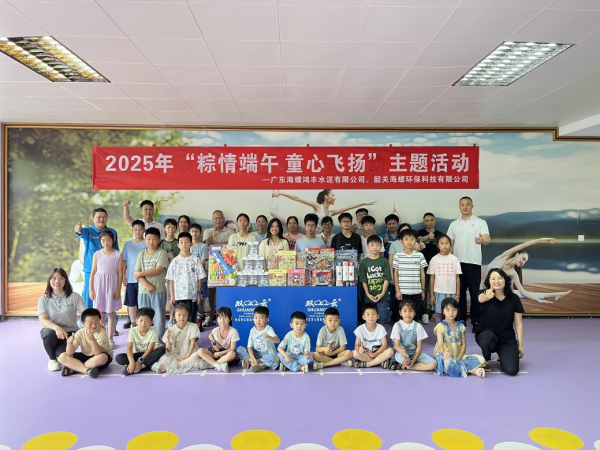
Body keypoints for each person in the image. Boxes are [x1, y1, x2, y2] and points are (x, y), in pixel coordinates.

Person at [447, 196, 491, 332]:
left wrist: (482, 240)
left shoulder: (480, 222)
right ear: (459, 207)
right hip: (457, 263)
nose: (465, 207)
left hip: (473, 263)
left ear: (472, 206)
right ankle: (461, 319)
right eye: (462, 204)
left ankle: (476, 320)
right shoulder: (454, 224)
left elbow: (487, 239)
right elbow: (450, 244)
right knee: (459, 293)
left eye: (467, 204)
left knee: (474, 293)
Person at [484, 238, 571, 303]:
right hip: (480, 289)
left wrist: (538, 300)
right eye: (523, 258)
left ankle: (555, 295)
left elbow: (523, 292)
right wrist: (541, 240)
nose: (523, 262)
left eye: (525, 261)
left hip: (492, 292)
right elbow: (524, 244)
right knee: (513, 293)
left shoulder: (513, 273)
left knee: (517, 293)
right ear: (517, 255)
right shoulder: (503, 257)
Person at [476, 269, 525, 376]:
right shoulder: (483, 293)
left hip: (506, 338)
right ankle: (487, 359)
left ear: (505, 280)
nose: (496, 281)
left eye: (499, 278)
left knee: (512, 370)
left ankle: (501, 356)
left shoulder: (514, 298)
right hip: (486, 335)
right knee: (488, 338)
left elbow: (518, 323)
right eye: (493, 279)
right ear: (489, 281)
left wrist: (520, 345)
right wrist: (486, 296)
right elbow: (480, 298)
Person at [38, 268, 87, 372]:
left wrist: (96, 320)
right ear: (49, 280)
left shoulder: (74, 296)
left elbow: (85, 313)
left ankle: (59, 356)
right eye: (54, 278)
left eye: (61, 278)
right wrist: (57, 328)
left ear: (65, 280)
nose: (57, 281)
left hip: (71, 334)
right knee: (47, 333)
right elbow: (43, 320)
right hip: (53, 332)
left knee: (62, 355)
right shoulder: (43, 299)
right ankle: (52, 359)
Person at [74, 207, 120, 308]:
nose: (101, 219)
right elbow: (81, 232)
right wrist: (79, 230)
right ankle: (87, 317)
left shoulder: (112, 232)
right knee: (90, 295)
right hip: (91, 270)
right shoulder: (88, 231)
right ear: (93, 218)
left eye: (104, 217)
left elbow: (116, 251)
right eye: (99, 217)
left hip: (108, 271)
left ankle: (107, 318)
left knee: (108, 297)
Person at [271, 189, 376, 233]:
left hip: (315, 234)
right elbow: (298, 198)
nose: (334, 198)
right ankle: (275, 194)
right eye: (333, 195)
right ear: (326, 196)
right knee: (273, 212)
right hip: (303, 227)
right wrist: (281, 193)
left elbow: (348, 207)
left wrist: (363, 203)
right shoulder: (317, 206)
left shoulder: (330, 213)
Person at [433, 297, 486, 378]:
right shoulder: (440, 326)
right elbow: (440, 343)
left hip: (458, 356)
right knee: (446, 363)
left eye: (454, 310)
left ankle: (459, 368)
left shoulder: (461, 326)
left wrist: (459, 358)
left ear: (457, 311)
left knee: (481, 359)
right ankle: (474, 370)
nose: (451, 313)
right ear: (443, 311)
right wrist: (443, 353)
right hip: (445, 356)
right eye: (447, 310)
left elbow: (464, 345)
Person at [134, 227, 169, 340]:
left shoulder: (162, 253)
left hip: (159, 289)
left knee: (159, 317)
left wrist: (140, 273)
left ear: (159, 240)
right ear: (145, 240)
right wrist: (147, 285)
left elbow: (158, 269)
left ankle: (158, 340)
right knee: (143, 318)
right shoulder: (141, 254)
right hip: (143, 290)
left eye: (154, 239)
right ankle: (144, 340)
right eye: (148, 239)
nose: (151, 242)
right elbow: (136, 274)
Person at [58, 307, 113, 378]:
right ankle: (86, 370)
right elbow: (69, 353)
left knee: (102, 358)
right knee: (62, 357)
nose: (93, 326)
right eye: (90, 323)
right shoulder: (80, 333)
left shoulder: (101, 332)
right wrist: (69, 344)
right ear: (83, 324)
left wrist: (93, 340)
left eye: (97, 322)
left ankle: (75, 368)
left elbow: (98, 353)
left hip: (100, 356)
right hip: (86, 356)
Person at [90, 230, 122, 349]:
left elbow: (120, 273)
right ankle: (102, 338)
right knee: (101, 312)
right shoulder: (97, 254)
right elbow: (93, 272)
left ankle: (110, 338)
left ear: (113, 240)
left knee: (110, 312)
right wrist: (91, 289)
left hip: (111, 286)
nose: (106, 243)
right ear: (100, 241)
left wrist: (118, 289)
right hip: (99, 286)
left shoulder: (117, 255)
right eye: (103, 240)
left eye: (108, 240)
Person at [166, 232, 206, 325]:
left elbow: (199, 278)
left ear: (191, 244)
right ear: (178, 245)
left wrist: (198, 293)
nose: (184, 244)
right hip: (179, 295)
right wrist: (172, 296)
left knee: (191, 319)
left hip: (192, 295)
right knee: (179, 319)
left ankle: (192, 334)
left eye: (186, 242)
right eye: (181, 242)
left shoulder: (195, 260)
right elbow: (171, 280)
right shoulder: (175, 261)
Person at [203, 210, 234, 326]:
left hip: (227, 265)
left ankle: (225, 315)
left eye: (220, 218)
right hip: (212, 265)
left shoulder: (231, 232)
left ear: (224, 219)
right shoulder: (208, 231)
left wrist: (214, 244)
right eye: (215, 218)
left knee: (225, 290)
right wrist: (212, 237)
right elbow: (207, 245)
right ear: (212, 220)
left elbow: (230, 246)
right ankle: (211, 314)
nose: (218, 220)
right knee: (211, 292)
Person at [116, 307, 166, 376]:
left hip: (147, 355)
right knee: (119, 358)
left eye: (146, 321)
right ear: (136, 321)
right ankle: (146, 365)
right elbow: (129, 348)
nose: (143, 323)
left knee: (161, 350)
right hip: (136, 355)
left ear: (151, 322)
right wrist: (132, 361)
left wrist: (139, 362)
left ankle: (140, 367)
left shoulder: (153, 332)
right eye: (141, 320)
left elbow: (150, 349)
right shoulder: (132, 331)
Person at [389, 300, 437, 371]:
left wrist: (414, 360)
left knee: (433, 364)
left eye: (411, 311)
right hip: (402, 354)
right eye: (405, 311)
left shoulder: (418, 326)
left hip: (415, 353)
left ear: (414, 313)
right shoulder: (397, 325)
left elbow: (419, 347)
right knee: (407, 361)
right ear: (400, 313)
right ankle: (406, 363)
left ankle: (406, 366)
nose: (408, 314)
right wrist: (402, 352)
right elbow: (397, 345)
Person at [153, 303, 200, 374]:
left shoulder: (193, 326)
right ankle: (179, 364)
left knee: (196, 355)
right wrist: (167, 338)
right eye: (179, 315)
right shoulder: (171, 330)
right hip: (176, 354)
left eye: (185, 315)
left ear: (188, 316)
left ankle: (175, 365)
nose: (182, 317)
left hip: (189, 353)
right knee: (164, 357)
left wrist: (187, 355)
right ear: (174, 316)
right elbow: (169, 350)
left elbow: (193, 343)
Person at [393, 229, 428, 323]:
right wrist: (397, 290)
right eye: (406, 239)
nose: (409, 241)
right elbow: (395, 274)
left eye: (412, 239)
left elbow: (422, 273)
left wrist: (423, 289)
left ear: (416, 240)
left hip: (416, 291)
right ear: (401, 241)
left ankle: (414, 331)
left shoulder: (420, 255)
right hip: (402, 291)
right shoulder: (397, 256)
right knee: (402, 316)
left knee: (414, 315)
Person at [427, 235, 462, 324]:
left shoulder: (454, 259)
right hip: (438, 291)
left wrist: (458, 294)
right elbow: (432, 278)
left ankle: (450, 332)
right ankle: (438, 331)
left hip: (452, 292)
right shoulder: (434, 259)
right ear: (437, 245)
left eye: (447, 243)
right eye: (442, 243)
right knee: (438, 313)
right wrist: (431, 295)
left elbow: (457, 278)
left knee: (451, 313)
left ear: (450, 245)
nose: (444, 245)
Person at [236, 306, 281, 373]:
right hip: (257, 354)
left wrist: (268, 336)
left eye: (261, 318)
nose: (258, 320)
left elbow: (277, 340)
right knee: (239, 349)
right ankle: (254, 362)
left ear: (267, 319)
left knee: (275, 359)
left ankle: (255, 363)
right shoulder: (252, 330)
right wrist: (252, 358)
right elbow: (249, 347)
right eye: (256, 317)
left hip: (268, 354)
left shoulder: (269, 329)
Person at [120, 220, 147, 329]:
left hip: (144, 279)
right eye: (135, 230)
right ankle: (133, 322)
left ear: (144, 230)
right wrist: (123, 276)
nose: (138, 232)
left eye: (140, 229)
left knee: (143, 302)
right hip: (131, 279)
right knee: (131, 302)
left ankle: (144, 321)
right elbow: (124, 262)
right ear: (132, 230)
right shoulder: (128, 245)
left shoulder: (147, 243)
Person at [359, 235, 392, 324]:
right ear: (367, 246)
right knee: (369, 320)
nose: (375, 247)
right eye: (372, 245)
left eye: (377, 245)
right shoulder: (364, 262)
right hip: (369, 297)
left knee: (382, 320)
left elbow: (387, 279)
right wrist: (367, 294)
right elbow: (363, 280)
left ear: (381, 246)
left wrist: (382, 293)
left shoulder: (384, 261)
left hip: (383, 297)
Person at [198, 306, 241, 373]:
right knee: (200, 351)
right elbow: (217, 349)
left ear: (230, 318)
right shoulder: (214, 331)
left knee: (232, 354)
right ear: (217, 319)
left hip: (226, 353)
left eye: (225, 317)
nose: (222, 320)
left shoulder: (233, 331)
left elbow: (232, 349)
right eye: (220, 318)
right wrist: (213, 340)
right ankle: (217, 365)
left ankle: (211, 364)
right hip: (216, 352)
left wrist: (220, 353)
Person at [417, 212, 444, 315]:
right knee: (424, 288)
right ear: (424, 222)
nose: (430, 222)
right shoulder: (420, 232)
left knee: (436, 288)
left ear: (435, 221)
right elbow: (419, 239)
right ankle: (424, 312)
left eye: (431, 220)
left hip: (438, 266)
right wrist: (428, 237)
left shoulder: (440, 234)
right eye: (427, 221)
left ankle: (435, 311)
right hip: (424, 266)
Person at [352, 304, 394, 369]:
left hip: (379, 353)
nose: (371, 317)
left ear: (378, 316)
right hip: (367, 354)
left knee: (390, 351)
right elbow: (357, 345)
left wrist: (374, 354)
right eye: (368, 314)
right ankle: (379, 362)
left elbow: (384, 346)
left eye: (373, 314)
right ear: (363, 317)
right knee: (355, 353)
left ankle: (368, 364)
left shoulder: (381, 328)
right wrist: (359, 348)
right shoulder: (360, 329)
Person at [190, 223, 209, 327]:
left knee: (200, 299)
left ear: (200, 233)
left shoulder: (203, 246)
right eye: (192, 231)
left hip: (200, 278)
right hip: (188, 279)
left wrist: (191, 270)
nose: (194, 233)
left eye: (197, 231)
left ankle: (199, 320)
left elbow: (202, 263)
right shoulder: (187, 246)